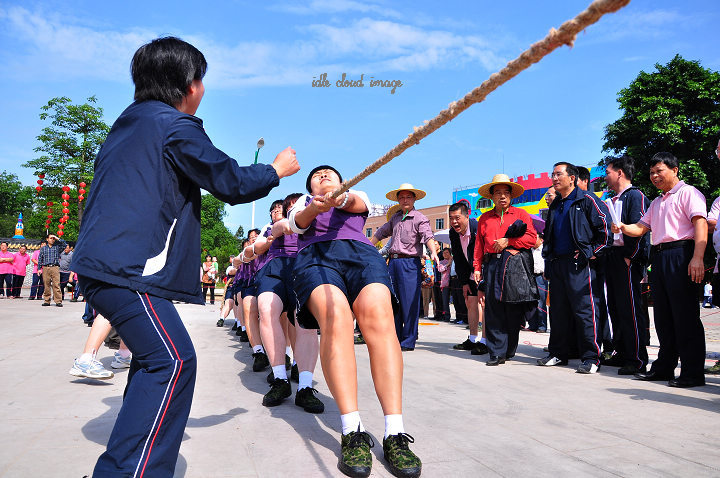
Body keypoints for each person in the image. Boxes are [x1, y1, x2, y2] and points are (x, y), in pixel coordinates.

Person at [70, 37, 299, 477]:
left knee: (152, 361)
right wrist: (275, 170)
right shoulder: (174, 125)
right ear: (188, 85)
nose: (203, 89)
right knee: (172, 362)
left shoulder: (127, 123)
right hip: (129, 270)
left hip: (104, 264)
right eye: (202, 80)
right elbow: (230, 181)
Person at [289, 165, 422, 478]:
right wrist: (315, 206)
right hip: (316, 258)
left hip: (362, 255)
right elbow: (297, 223)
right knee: (335, 317)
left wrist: (340, 198)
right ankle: (352, 430)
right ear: (309, 187)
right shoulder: (302, 203)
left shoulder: (354, 194)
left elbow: (356, 203)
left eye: (329, 174)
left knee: (379, 319)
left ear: (341, 181)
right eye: (317, 175)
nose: (323, 176)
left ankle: (395, 432)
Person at [617, 152, 707, 388]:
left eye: (659, 171)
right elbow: (640, 228)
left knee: (685, 316)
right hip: (659, 257)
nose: (654, 176)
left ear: (675, 170)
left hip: (682, 254)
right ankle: (664, 367)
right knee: (663, 316)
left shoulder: (688, 193)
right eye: (651, 173)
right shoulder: (657, 202)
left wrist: (697, 258)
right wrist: (622, 226)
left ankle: (692, 372)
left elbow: (700, 224)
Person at [249, 192, 324, 413]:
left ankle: (305, 387)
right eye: (289, 206)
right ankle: (280, 379)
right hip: (274, 269)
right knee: (266, 308)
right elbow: (260, 246)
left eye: (298, 204)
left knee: (305, 323)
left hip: (303, 268)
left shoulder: (313, 221)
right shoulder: (273, 226)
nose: (294, 208)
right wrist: (276, 232)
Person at [539, 162, 612, 374]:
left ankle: (591, 358)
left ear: (572, 178)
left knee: (585, 311)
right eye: (553, 175)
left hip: (580, 265)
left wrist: (590, 252)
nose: (554, 178)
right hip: (557, 264)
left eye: (558, 174)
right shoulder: (555, 204)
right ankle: (558, 353)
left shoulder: (588, 200)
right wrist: (548, 262)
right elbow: (549, 237)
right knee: (558, 312)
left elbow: (606, 231)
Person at [472, 175, 538, 365]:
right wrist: (477, 267)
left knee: (512, 308)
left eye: (506, 193)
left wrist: (509, 241)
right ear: (492, 197)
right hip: (492, 264)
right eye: (498, 193)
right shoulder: (484, 218)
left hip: (514, 265)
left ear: (511, 196)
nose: (502, 196)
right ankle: (496, 352)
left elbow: (532, 239)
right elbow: (479, 245)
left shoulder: (521, 214)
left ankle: (509, 349)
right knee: (493, 308)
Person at [372, 183, 438, 351]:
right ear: (398, 200)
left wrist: (433, 252)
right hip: (393, 263)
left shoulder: (420, 218)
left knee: (409, 303)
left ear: (414, 199)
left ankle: (408, 340)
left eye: (408, 197)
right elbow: (380, 233)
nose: (405, 200)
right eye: (401, 197)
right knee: (393, 302)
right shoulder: (395, 218)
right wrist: (367, 247)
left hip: (410, 263)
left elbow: (427, 236)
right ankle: (395, 337)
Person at [603, 155, 651, 375]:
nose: (606, 177)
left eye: (608, 172)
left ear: (620, 173)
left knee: (631, 309)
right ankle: (621, 352)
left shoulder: (635, 196)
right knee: (615, 307)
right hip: (613, 257)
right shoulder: (612, 199)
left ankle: (637, 358)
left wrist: (631, 256)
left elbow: (640, 229)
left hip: (627, 258)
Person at [447, 202, 488, 356]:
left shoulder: (478, 228)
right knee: (471, 303)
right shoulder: (453, 233)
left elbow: (486, 252)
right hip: (469, 272)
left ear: (467, 216)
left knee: (484, 304)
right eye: (451, 218)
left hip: (483, 270)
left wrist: (483, 275)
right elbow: (458, 257)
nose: (454, 222)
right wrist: (464, 281)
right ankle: (472, 338)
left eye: (457, 218)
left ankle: (485, 341)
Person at [38, 234, 67, 307]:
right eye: (51, 238)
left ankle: (58, 301)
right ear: (47, 239)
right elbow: (40, 259)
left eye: (53, 239)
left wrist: (57, 238)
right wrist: (39, 269)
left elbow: (65, 244)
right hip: (46, 267)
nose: (52, 240)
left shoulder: (57, 247)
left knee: (56, 284)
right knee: (46, 284)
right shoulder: (43, 248)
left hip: (55, 267)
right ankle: (47, 300)